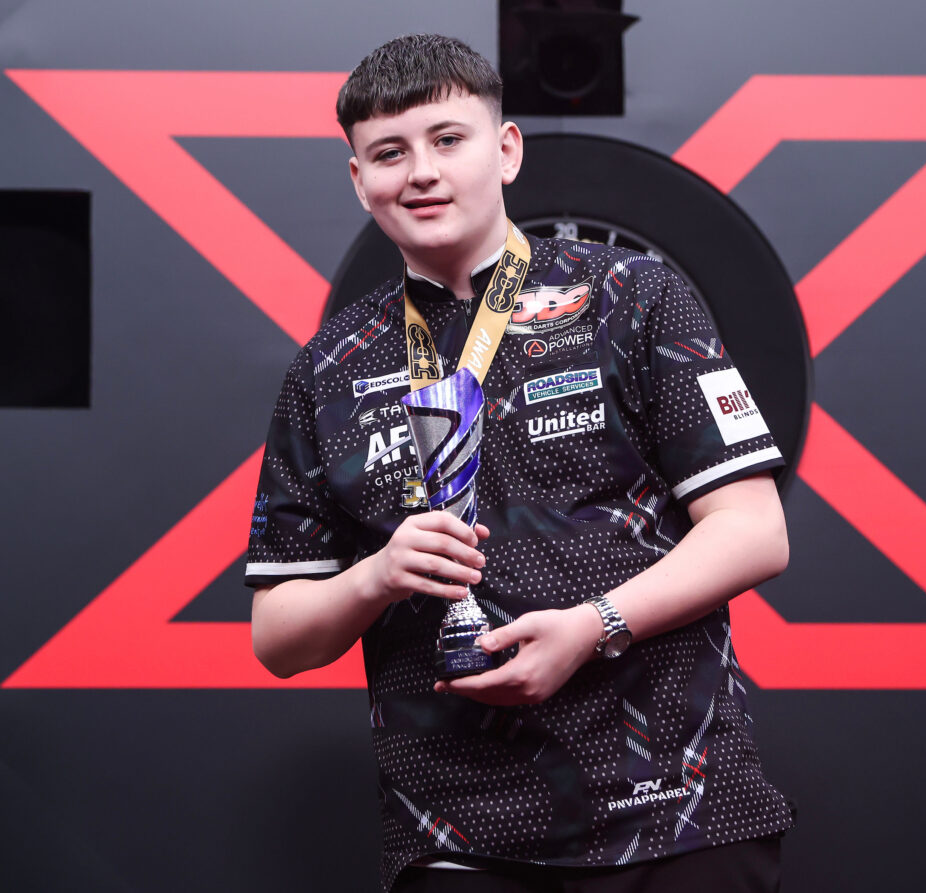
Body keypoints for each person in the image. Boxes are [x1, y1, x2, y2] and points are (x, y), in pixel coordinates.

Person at [246, 33, 794, 893]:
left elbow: (755, 531)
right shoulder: (328, 369)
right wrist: (376, 576)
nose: (421, 172)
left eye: (448, 139)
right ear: (359, 179)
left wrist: (594, 624)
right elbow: (278, 638)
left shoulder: (632, 295)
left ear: (505, 150)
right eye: (389, 153)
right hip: (455, 829)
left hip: (675, 809)